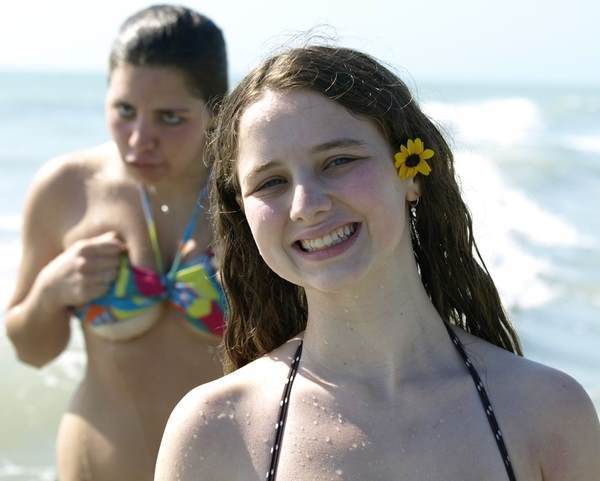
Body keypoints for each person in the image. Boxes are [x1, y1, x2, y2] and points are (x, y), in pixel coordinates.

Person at [155, 45, 600, 481]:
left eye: (339, 161)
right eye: (272, 182)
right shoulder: (217, 429)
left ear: (410, 171)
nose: (306, 205)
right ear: (242, 211)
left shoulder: (546, 412)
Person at [5, 5, 228, 481]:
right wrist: (51, 290)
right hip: (93, 468)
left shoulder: (248, 199)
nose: (139, 139)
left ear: (215, 112)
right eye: (124, 111)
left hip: (230, 468)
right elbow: (32, 350)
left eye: (170, 118)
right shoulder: (68, 188)